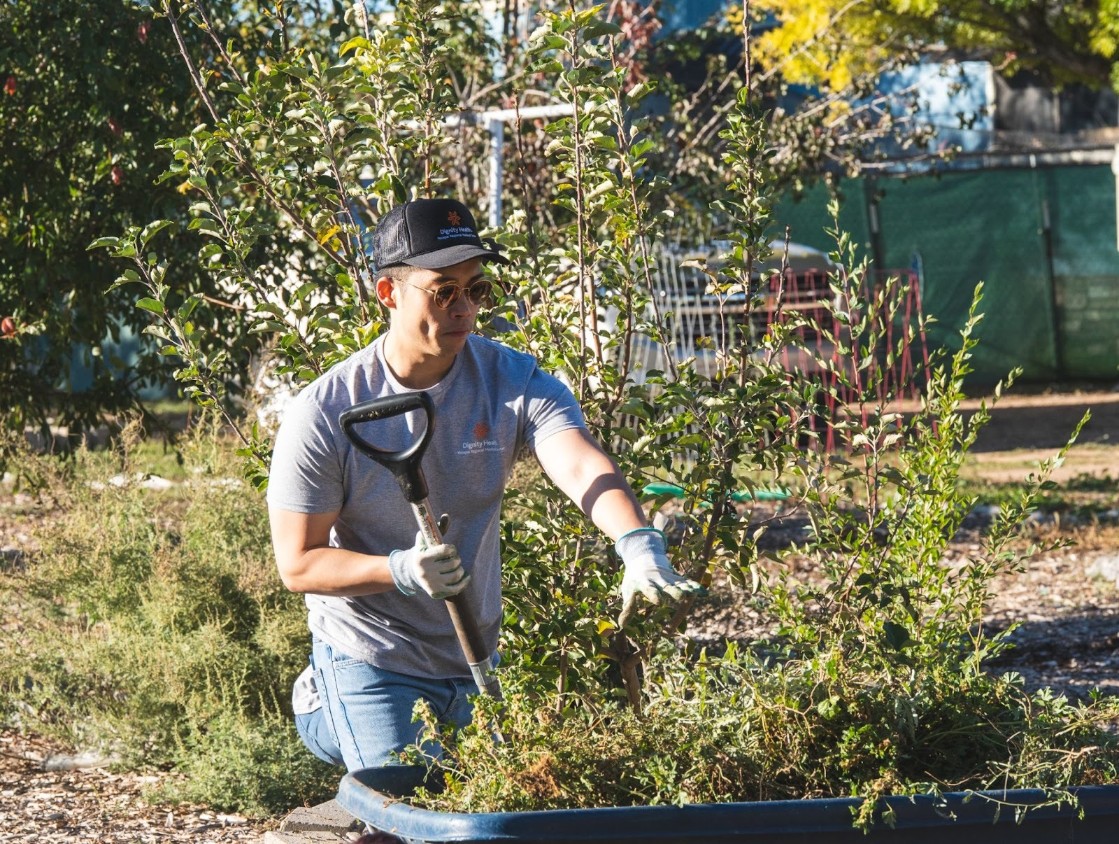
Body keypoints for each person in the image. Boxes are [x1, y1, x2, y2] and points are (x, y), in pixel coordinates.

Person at [267, 196, 704, 772]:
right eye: (443, 290)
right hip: (371, 653)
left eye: (477, 289)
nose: (464, 308)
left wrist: (638, 545)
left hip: (473, 654)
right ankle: (328, 709)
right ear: (389, 292)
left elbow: (577, 462)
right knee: (405, 806)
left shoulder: (511, 378)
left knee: (494, 810)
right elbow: (298, 564)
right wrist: (398, 570)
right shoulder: (327, 410)